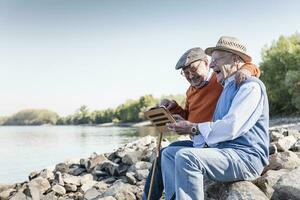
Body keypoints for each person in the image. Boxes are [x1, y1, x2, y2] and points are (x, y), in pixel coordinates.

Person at [143, 45, 261, 199]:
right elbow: (190, 116)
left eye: (193, 69)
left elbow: (246, 67)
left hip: (217, 141)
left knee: (176, 155)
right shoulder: (190, 91)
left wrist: (248, 70)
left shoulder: (221, 79)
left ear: (206, 63)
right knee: (165, 153)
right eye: (185, 73)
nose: (190, 76)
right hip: (201, 141)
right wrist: (174, 109)